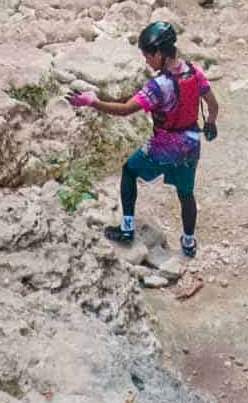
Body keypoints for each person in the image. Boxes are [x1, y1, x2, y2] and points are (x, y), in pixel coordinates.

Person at [70, 21, 218, 257]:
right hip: (191, 143)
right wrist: (210, 124)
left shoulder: (158, 86)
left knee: (129, 170)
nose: (146, 60)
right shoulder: (194, 71)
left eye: (147, 55)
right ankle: (188, 243)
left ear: (159, 53)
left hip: (166, 144)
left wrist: (93, 102)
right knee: (186, 193)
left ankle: (127, 228)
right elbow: (212, 104)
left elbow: (125, 109)